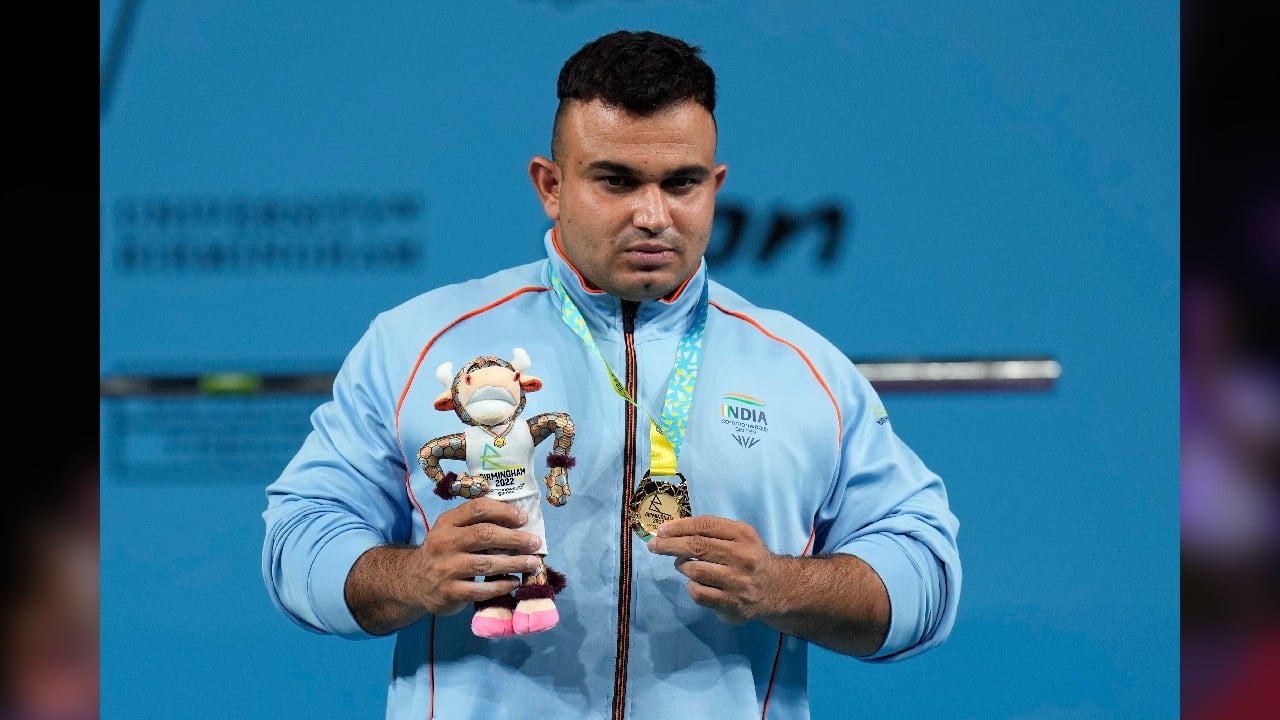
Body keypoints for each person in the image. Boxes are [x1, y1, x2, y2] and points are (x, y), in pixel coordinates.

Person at [262, 29, 961, 720]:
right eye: (617, 181)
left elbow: (925, 577)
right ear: (551, 186)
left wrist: (781, 586)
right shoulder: (416, 343)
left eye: (681, 183)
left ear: (714, 186)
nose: (653, 215)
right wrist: (412, 578)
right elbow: (298, 540)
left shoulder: (804, 370)